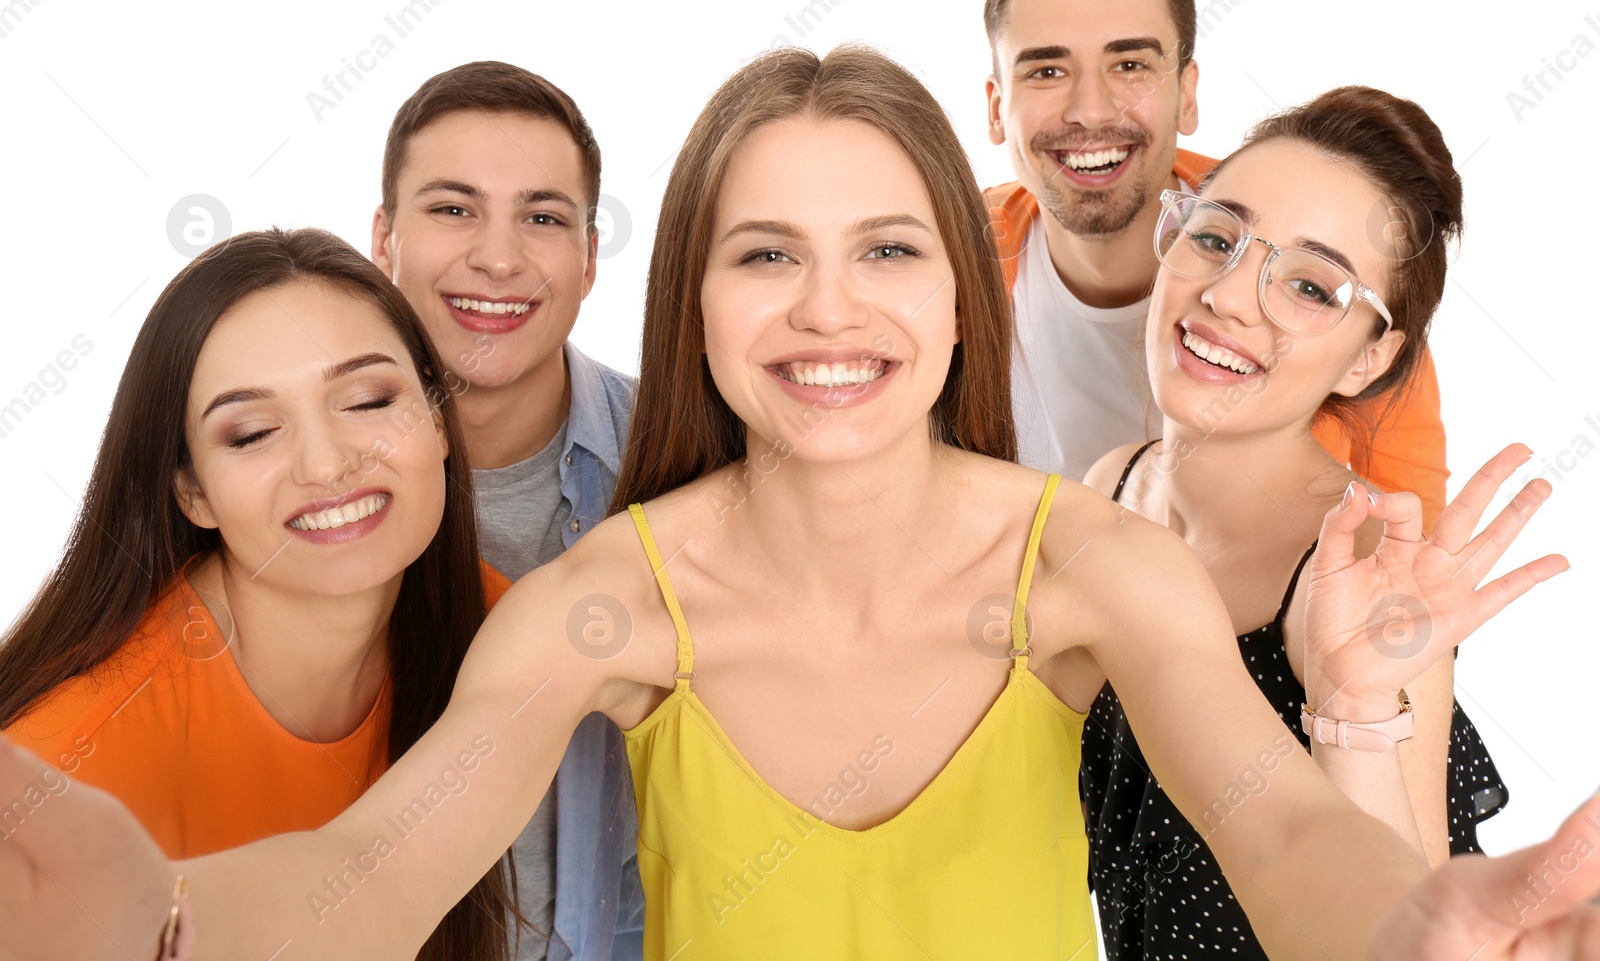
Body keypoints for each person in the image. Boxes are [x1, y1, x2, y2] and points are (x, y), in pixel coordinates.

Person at [0, 47, 1583, 961]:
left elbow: (1283, 827)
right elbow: (373, 871)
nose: (830, 312)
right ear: (691, 299)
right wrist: (166, 915)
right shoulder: (599, 604)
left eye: (888, 249)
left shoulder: (1094, 569)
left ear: (967, 297)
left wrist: (1416, 916)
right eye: (766, 254)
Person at [0, 228, 518, 960]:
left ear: (437, 419)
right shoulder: (71, 761)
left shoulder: (504, 629)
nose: (327, 462)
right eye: (250, 433)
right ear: (192, 492)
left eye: (369, 399)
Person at [1076, 85, 1507, 957]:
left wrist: (1351, 705)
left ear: (1372, 358)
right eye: (1215, 236)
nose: (1232, 296)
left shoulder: (1359, 569)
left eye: (1312, 286)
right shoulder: (1112, 484)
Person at [982, 0, 1451, 529]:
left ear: (1189, 91)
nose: (1090, 109)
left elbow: (1409, 572)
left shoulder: (1339, 293)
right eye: (1046, 70)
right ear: (996, 109)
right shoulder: (941, 262)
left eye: (1129, 66)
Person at [369, 61, 643, 961]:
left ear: (591, 257)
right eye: (453, 209)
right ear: (383, 240)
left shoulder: (686, 461)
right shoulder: (304, 488)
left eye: (542, 216)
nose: (498, 256)